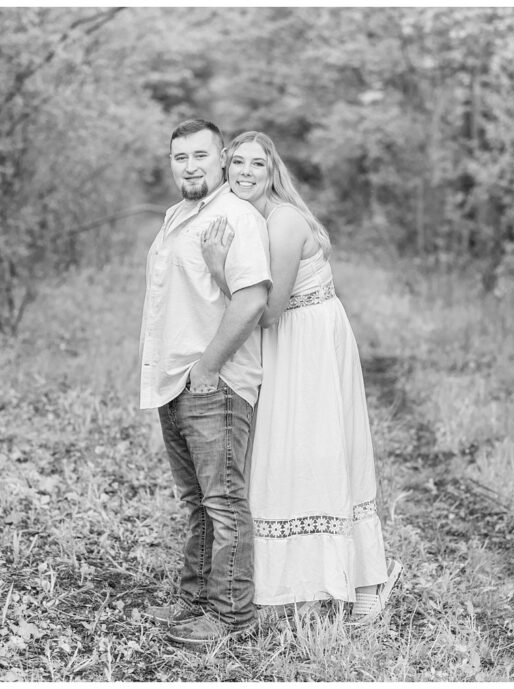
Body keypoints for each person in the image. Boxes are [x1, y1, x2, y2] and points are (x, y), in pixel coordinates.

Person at [201, 131, 402, 624]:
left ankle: (368, 580)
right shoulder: (248, 216)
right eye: (238, 164)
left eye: (257, 165)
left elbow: (268, 311)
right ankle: (300, 582)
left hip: (307, 337)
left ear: (273, 173)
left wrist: (217, 268)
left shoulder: (285, 221)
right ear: (227, 169)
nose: (246, 172)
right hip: (287, 340)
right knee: (283, 455)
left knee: (322, 450)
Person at [138, 119, 272, 646]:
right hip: (175, 381)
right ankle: (194, 602)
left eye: (200, 156)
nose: (189, 166)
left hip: (212, 382)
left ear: (222, 160)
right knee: (196, 501)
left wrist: (208, 368)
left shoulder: (234, 215)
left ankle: (231, 616)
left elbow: (252, 299)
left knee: (222, 501)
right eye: (179, 158)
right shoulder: (178, 215)